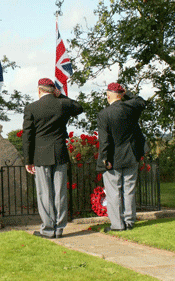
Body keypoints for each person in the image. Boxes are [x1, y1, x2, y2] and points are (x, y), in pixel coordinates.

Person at [22, 78, 84, 239]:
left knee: (45, 193)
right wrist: (62, 95)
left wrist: (28, 160)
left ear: (39, 90)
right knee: (60, 192)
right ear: (53, 90)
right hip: (60, 152)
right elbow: (79, 107)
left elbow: (27, 137)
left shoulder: (31, 108)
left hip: (40, 155)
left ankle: (48, 229)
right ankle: (59, 228)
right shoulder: (62, 104)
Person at [96, 82, 147, 232]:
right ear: (121, 94)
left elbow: (104, 140)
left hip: (113, 158)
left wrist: (104, 159)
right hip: (131, 155)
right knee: (129, 190)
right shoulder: (132, 107)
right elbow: (142, 101)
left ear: (108, 95)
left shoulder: (104, 114)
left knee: (114, 192)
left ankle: (117, 225)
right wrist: (127, 93)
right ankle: (129, 221)